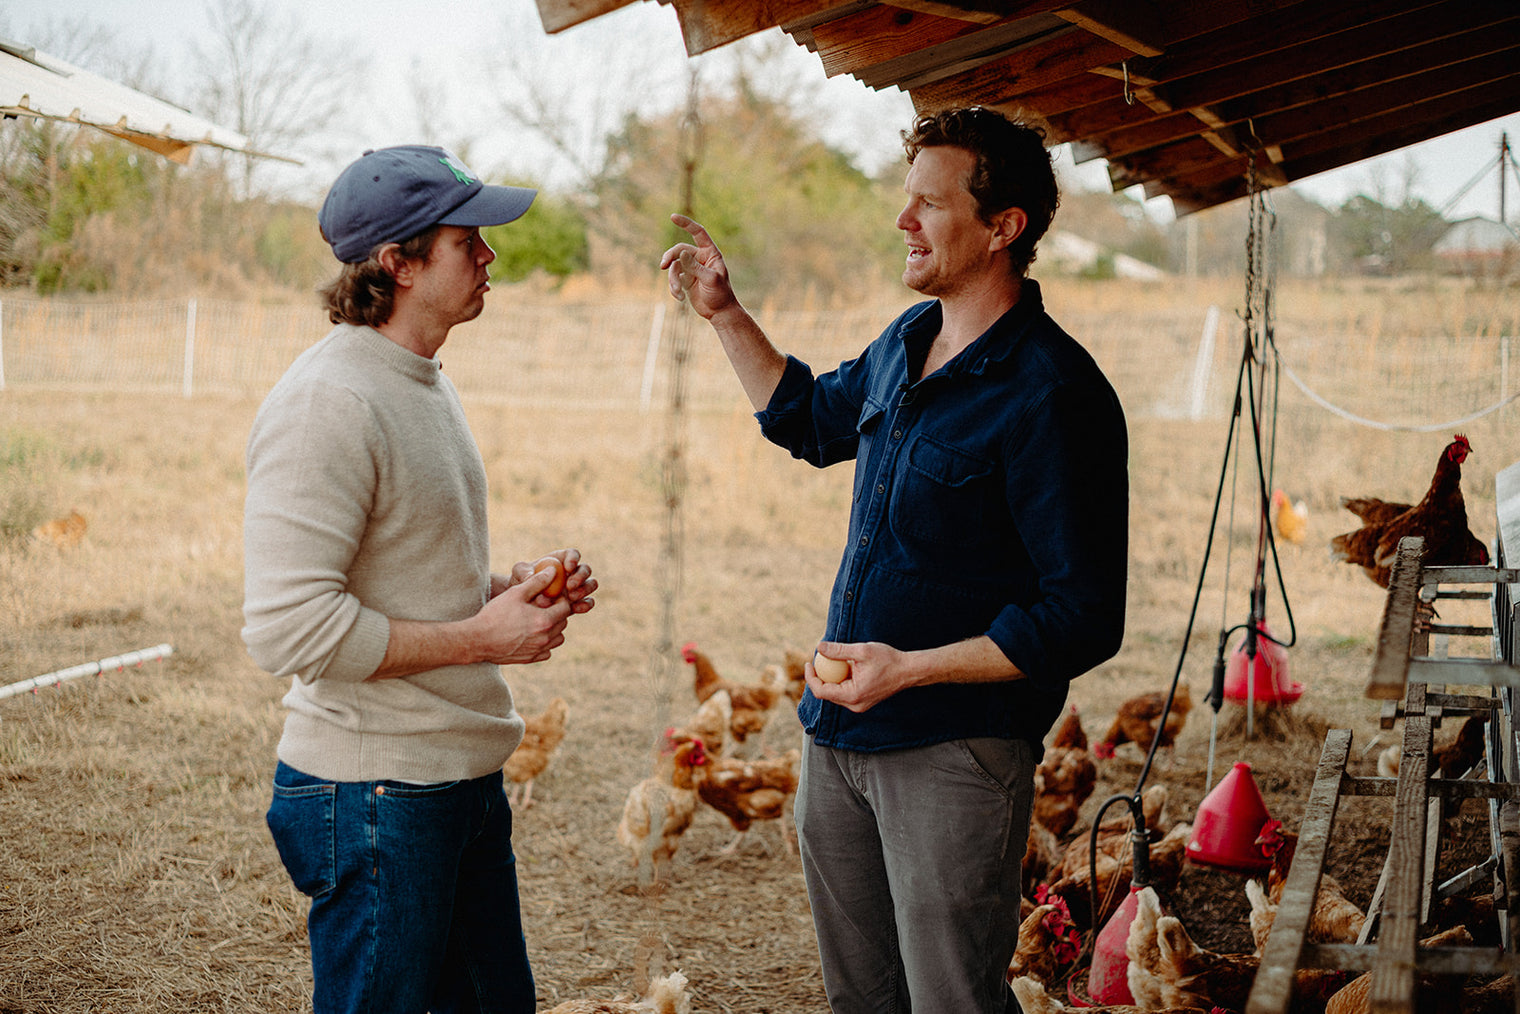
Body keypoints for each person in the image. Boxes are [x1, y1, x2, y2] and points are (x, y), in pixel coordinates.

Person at [660, 108, 1128, 1013]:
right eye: (904, 199)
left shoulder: (1054, 393)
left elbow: (1082, 615)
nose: (902, 221)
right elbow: (804, 416)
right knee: (861, 998)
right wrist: (723, 314)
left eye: (928, 203)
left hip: (954, 753)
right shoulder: (905, 343)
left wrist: (909, 671)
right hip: (839, 736)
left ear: (1003, 228)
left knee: (952, 998)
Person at [242, 144, 596, 1014]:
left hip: (451, 781)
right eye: (465, 239)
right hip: (375, 796)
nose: (489, 255)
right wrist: (484, 638)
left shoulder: (418, 379)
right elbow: (289, 630)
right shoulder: (329, 400)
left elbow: (397, 573)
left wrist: (501, 591)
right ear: (398, 263)